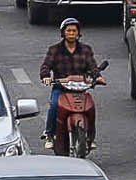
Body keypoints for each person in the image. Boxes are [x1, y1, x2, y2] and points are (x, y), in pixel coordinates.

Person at [38, 17, 102, 146]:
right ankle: (50, 134)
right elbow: (45, 66)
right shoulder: (54, 50)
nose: (71, 34)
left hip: (80, 88)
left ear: (78, 33)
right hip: (60, 88)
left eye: (74, 31)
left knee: (90, 108)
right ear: (63, 32)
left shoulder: (86, 50)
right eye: (69, 31)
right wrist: (45, 76)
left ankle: (90, 137)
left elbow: (92, 66)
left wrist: (98, 77)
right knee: (54, 105)